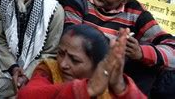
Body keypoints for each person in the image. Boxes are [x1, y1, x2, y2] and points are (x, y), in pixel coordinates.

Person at [63, 0, 175, 96]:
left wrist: (140, 52)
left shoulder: (137, 12)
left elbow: (172, 50)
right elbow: (72, 39)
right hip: (78, 74)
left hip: (113, 80)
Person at [18, 25, 146, 99]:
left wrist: (119, 86)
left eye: (75, 60)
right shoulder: (49, 69)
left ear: (97, 66)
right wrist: (87, 89)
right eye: (61, 54)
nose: (63, 64)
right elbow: (26, 95)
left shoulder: (111, 82)